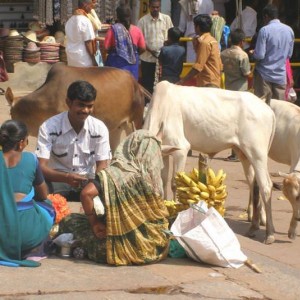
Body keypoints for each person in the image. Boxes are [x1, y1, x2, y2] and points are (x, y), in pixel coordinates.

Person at [58, 130, 170, 265]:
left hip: (116, 249)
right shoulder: (154, 179)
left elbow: (86, 194)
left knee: (70, 220)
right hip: (154, 248)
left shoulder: (114, 174)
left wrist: (94, 223)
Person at [36, 80, 111, 202]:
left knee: (113, 194)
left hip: (88, 181)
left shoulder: (99, 128)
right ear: (68, 102)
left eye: (90, 106)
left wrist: (93, 188)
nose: (86, 110)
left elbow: (102, 165)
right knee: (35, 189)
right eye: (81, 105)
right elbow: (40, 166)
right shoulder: (49, 127)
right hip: (58, 180)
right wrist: (66, 177)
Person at [0, 120, 55, 267]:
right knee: (48, 207)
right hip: (26, 235)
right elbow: (43, 195)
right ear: (21, 143)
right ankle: (33, 250)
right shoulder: (31, 159)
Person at [250, 4, 294, 104]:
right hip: (280, 75)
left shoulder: (264, 30)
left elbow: (260, 55)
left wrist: (253, 53)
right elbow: (289, 55)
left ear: (266, 16)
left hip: (264, 75)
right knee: (279, 107)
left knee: (263, 106)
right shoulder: (289, 30)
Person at [221, 29, 251, 162]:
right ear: (241, 41)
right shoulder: (243, 55)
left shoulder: (224, 53)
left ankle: (233, 152)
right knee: (242, 123)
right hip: (241, 91)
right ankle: (240, 152)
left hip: (228, 89)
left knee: (230, 121)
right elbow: (246, 73)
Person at [138, 0, 173, 94]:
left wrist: (164, 49)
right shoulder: (142, 21)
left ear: (160, 7)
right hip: (147, 59)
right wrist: (151, 51)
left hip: (163, 59)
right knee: (147, 84)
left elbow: (171, 36)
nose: (155, 9)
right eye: (153, 7)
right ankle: (147, 106)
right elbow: (139, 40)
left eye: (157, 7)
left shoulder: (166, 19)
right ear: (149, 7)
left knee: (163, 85)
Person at [177, 14, 222, 87]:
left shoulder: (205, 43)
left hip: (207, 83)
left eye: (194, 25)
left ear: (198, 27)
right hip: (214, 81)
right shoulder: (213, 40)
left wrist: (182, 81)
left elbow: (198, 67)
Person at [104, 4, 146, 80]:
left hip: (116, 67)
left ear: (117, 16)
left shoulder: (113, 30)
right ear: (130, 16)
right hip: (132, 68)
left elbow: (106, 48)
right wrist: (131, 54)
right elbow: (143, 48)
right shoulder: (137, 30)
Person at [65, 0, 97, 67]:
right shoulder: (85, 20)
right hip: (83, 59)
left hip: (71, 58)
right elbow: (88, 42)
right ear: (85, 5)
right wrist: (93, 60)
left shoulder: (69, 21)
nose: (92, 9)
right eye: (91, 6)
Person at [87, 0, 104, 66]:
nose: (95, 4)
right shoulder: (86, 16)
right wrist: (103, 39)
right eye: (93, 2)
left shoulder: (92, 12)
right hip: (91, 46)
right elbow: (89, 37)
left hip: (96, 45)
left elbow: (98, 25)